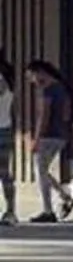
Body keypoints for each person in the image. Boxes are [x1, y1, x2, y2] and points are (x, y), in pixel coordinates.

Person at [24, 59, 73, 223]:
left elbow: (43, 117)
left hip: (49, 136)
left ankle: (48, 210)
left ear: (39, 72)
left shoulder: (48, 91)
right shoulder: (62, 88)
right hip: (61, 135)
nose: (32, 82)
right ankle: (65, 197)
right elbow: (66, 114)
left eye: (32, 77)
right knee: (43, 170)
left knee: (40, 171)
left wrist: (36, 139)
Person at [0, 56, 16, 226]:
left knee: (4, 173)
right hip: (6, 128)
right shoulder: (8, 81)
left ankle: (10, 211)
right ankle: (10, 211)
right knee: (4, 173)